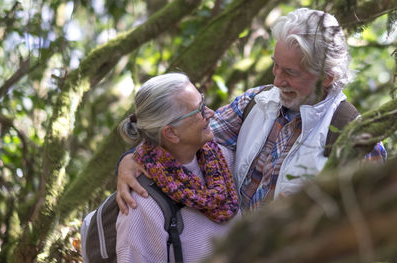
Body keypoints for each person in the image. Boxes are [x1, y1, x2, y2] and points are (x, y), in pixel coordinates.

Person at [116, 8, 386, 215]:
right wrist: (132, 159)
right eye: (275, 65)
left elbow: (370, 231)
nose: (277, 80)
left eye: (290, 72)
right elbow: (182, 139)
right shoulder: (255, 102)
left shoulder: (356, 137)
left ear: (328, 77)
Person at [115, 73, 240, 263]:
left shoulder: (223, 161)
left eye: (204, 102)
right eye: (199, 110)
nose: (210, 113)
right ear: (171, 133)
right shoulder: (141, 207)